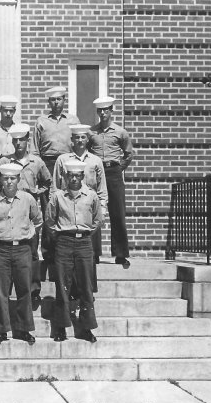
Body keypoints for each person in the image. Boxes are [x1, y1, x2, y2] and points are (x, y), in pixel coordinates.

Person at [0, 123, 51, 303]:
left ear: (27, 141)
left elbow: (47, 182)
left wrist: (35, 192)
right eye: (15, 140)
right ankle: (6, 291)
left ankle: (33, 290)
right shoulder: (3, 162)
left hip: (27, 210)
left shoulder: (36, 162)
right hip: (7, 211)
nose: (18, 144)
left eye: (21, 140)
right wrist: (0, 196)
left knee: (31, 250)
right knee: (6, 252)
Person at [0, 163, 42, 344]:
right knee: (1, 292)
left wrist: (30, 233)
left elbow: (38, 220)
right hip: (1, 249)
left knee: (24, 289)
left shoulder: (27, 199)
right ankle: (1, 330)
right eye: (5, 178)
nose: (9, 182)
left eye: (12, 178)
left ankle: (24, 329)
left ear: (18, 180)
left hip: (23, 248)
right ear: (0, 180)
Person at [45, 159, 104, 343]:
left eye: (78, 176)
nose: (74, 179)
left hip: (85, 243)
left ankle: (86, 328)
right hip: (64, 242)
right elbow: (49, 220)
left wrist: (84, 234)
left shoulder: (91, 196)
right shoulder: (57, 197)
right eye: (70, 176)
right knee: (63, 285)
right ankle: (61, 327)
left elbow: (97, 221)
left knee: (86, 286)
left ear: (82, 177)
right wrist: (63, 236)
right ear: (65, 177)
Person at [31, 86, 80, 284]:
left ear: (64, 101)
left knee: (66, 205)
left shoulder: (73, 120)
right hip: (47, 163)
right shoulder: (41, 122)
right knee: (47, 208)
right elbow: (34, 149)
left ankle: (63, 250)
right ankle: (47, 252)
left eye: (59, 99)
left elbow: (79, 143)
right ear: (48, 102)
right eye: (52, 100)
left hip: (68, 164)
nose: (56, 103)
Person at [52, 123, 108, 291]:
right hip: (67, 211)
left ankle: (87, 292)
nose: (80, 140)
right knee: (67, 259)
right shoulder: (63, 160)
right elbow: (55, 187)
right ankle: (69, 293)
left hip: (88, 211)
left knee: (87, 257)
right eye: (77, 137)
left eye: (83, 137)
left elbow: (101, 189)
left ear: (87, 139)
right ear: (72, 140)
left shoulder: (96, 161)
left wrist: (102, 211)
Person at [89, 96, 134, 269]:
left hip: (114, 172)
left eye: (106, 110)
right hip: (97, 173)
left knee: (117, 213)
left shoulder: (120, 132)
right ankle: (94, 253)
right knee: (95, 212)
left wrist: (119, 168)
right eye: (100, 110)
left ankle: (121, 254)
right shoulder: (92, 132)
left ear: (111, 111)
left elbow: (128, 154)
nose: (103, 113)